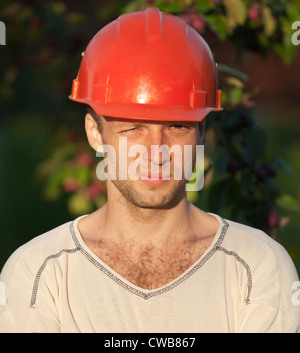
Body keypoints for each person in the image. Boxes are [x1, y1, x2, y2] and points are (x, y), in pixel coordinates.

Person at [0, 7, 299, 333]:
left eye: (177, 126)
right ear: (94, 133)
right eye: (133, 128)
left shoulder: (257, 267)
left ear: (201, 133)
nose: (157, 152)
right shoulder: (37, 273)